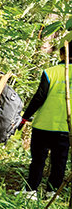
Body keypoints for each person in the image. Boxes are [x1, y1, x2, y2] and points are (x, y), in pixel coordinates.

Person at [20, 46, 71, 195]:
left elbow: (38, 98)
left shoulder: (51, 72)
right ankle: (52, 192)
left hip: (44, 125)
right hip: (66, 127)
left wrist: (24, 117)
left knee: (37, 160)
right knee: (59, 162)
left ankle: (31, 191)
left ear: (62, 54)